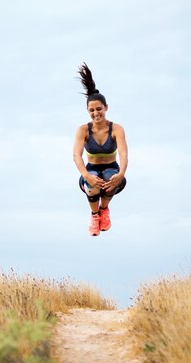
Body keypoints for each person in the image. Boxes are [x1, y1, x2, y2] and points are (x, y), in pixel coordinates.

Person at [73, 63, 128, 236]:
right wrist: (86, 175)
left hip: (112, 167)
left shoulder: (117, 128)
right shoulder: (83, 130)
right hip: (91, 170)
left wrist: (121, 174)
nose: (95, 113)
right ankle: (95, 215)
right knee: (93, 183)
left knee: (110, 180)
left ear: (106, 108)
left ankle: (104, 210)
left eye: (99, 109)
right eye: (91, 110)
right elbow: (76, 155)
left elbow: (124, 154)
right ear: (87, 111)